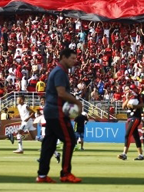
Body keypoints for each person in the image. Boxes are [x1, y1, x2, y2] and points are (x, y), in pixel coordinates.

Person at [36, 47, 82, 184]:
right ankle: (65, 174)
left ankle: (42, 175)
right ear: (63, 57)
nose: (75, 61)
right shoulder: (60, 72)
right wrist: (77, 102)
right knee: (70, 140)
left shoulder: (57, 71)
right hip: (57, 112)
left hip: (51, 111)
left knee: (49, 143)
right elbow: (61, 93)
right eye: (72, 58)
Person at [118, 85, 144, 161]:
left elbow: (142, 104)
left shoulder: (137, 96)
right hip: (130, 117)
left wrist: (134, 106)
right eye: (126, 90)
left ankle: (124, 154)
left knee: (127, 135)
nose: (127, 91)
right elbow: (123, 106)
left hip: (135, 117)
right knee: (136, 136)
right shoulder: (126, 97)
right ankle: (141, 155)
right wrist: (127, 99)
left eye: (128, 90)